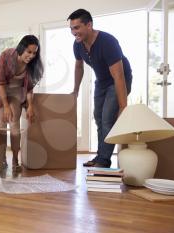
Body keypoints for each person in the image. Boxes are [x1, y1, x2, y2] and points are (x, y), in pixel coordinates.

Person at [67, 9, 132, 168]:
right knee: (98, 117)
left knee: (108, 118)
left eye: (77, 27)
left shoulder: (107, 42)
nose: (74, 32)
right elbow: (78, 67)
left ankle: (104, 160)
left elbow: (119, 76)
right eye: (71, 29)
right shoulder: (78, 45)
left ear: (89, 25)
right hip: (102, 81)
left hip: (119, 80)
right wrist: (75, 90)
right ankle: (100, 156)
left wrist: (123, 106)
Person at [0, 35, 44, 171]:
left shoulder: (32, 65)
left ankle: (15, 159)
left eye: (34, 53)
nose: (31, 56)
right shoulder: (6, 56)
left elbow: (29, 88)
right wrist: (5, 106)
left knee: (15, 124)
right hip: (0, 88)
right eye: (29, 52)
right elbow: (0, 82)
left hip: (16, 91)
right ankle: (1, 158)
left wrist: (30, 106)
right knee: (1, 124)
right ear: (21, 48)